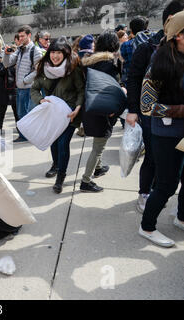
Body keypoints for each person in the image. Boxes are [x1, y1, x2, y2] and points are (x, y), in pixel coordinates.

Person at [125, 0, 184, 213]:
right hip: (153, 116)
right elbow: (133, 80)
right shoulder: (148, 47)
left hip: (177, 122)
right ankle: (145, 193)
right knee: (152, 157)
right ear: (172, 21)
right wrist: (133, 110)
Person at [137, 11, 184, 248]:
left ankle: (181, 217)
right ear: (177, 35)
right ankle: (147, 227)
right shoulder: (160, 61)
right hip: (166, 134)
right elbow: (146, 106)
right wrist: (179, 110)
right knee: (166, 184)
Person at [31, 37, 85, 194]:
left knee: (63, 143)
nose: (55, 56)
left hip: (70, 113)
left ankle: (60, 177)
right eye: (52, 52)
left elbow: (81, 90)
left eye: (58, 53)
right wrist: (40, 100)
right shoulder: (44, 69)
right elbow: (34, 89)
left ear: (65, 53)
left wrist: (78, 108)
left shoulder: (73, 68)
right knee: (53, 142)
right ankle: (55, 165)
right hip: (52, 113)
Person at [80, 31, 124, 193]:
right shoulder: (111, 63)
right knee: (98, 147)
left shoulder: (89, 62)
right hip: (104, 109)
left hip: (89, 107)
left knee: (98, 142)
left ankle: (98, 168)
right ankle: (86, 181)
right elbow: (112, 88)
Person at [4, 25, 43, 143]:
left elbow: (39, 70)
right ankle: (24, 136)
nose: (20, 38)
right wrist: (6, 54)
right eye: (19, 36)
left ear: (29, 35)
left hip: (29, 88)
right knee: (21, 114)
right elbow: (7, 64)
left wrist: (25, 80)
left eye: (22, 36)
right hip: (20, 88)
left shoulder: (35, 50)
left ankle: (31, 136)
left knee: (29, 114)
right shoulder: (20, 49)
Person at [120, 17, 149, 85]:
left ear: (131, 30)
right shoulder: (152, 42)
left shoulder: (126, 45)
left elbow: (122, 63)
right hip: (149, 80)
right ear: (145, 28)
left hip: (131, 80)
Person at [0, 50, 18, 133]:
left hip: (13, 90)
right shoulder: (1, 64)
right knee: (2, 111)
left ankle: (19, 128)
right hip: (3, 91)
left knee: (16, 112)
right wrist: (5, 67)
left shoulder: (15, 64)